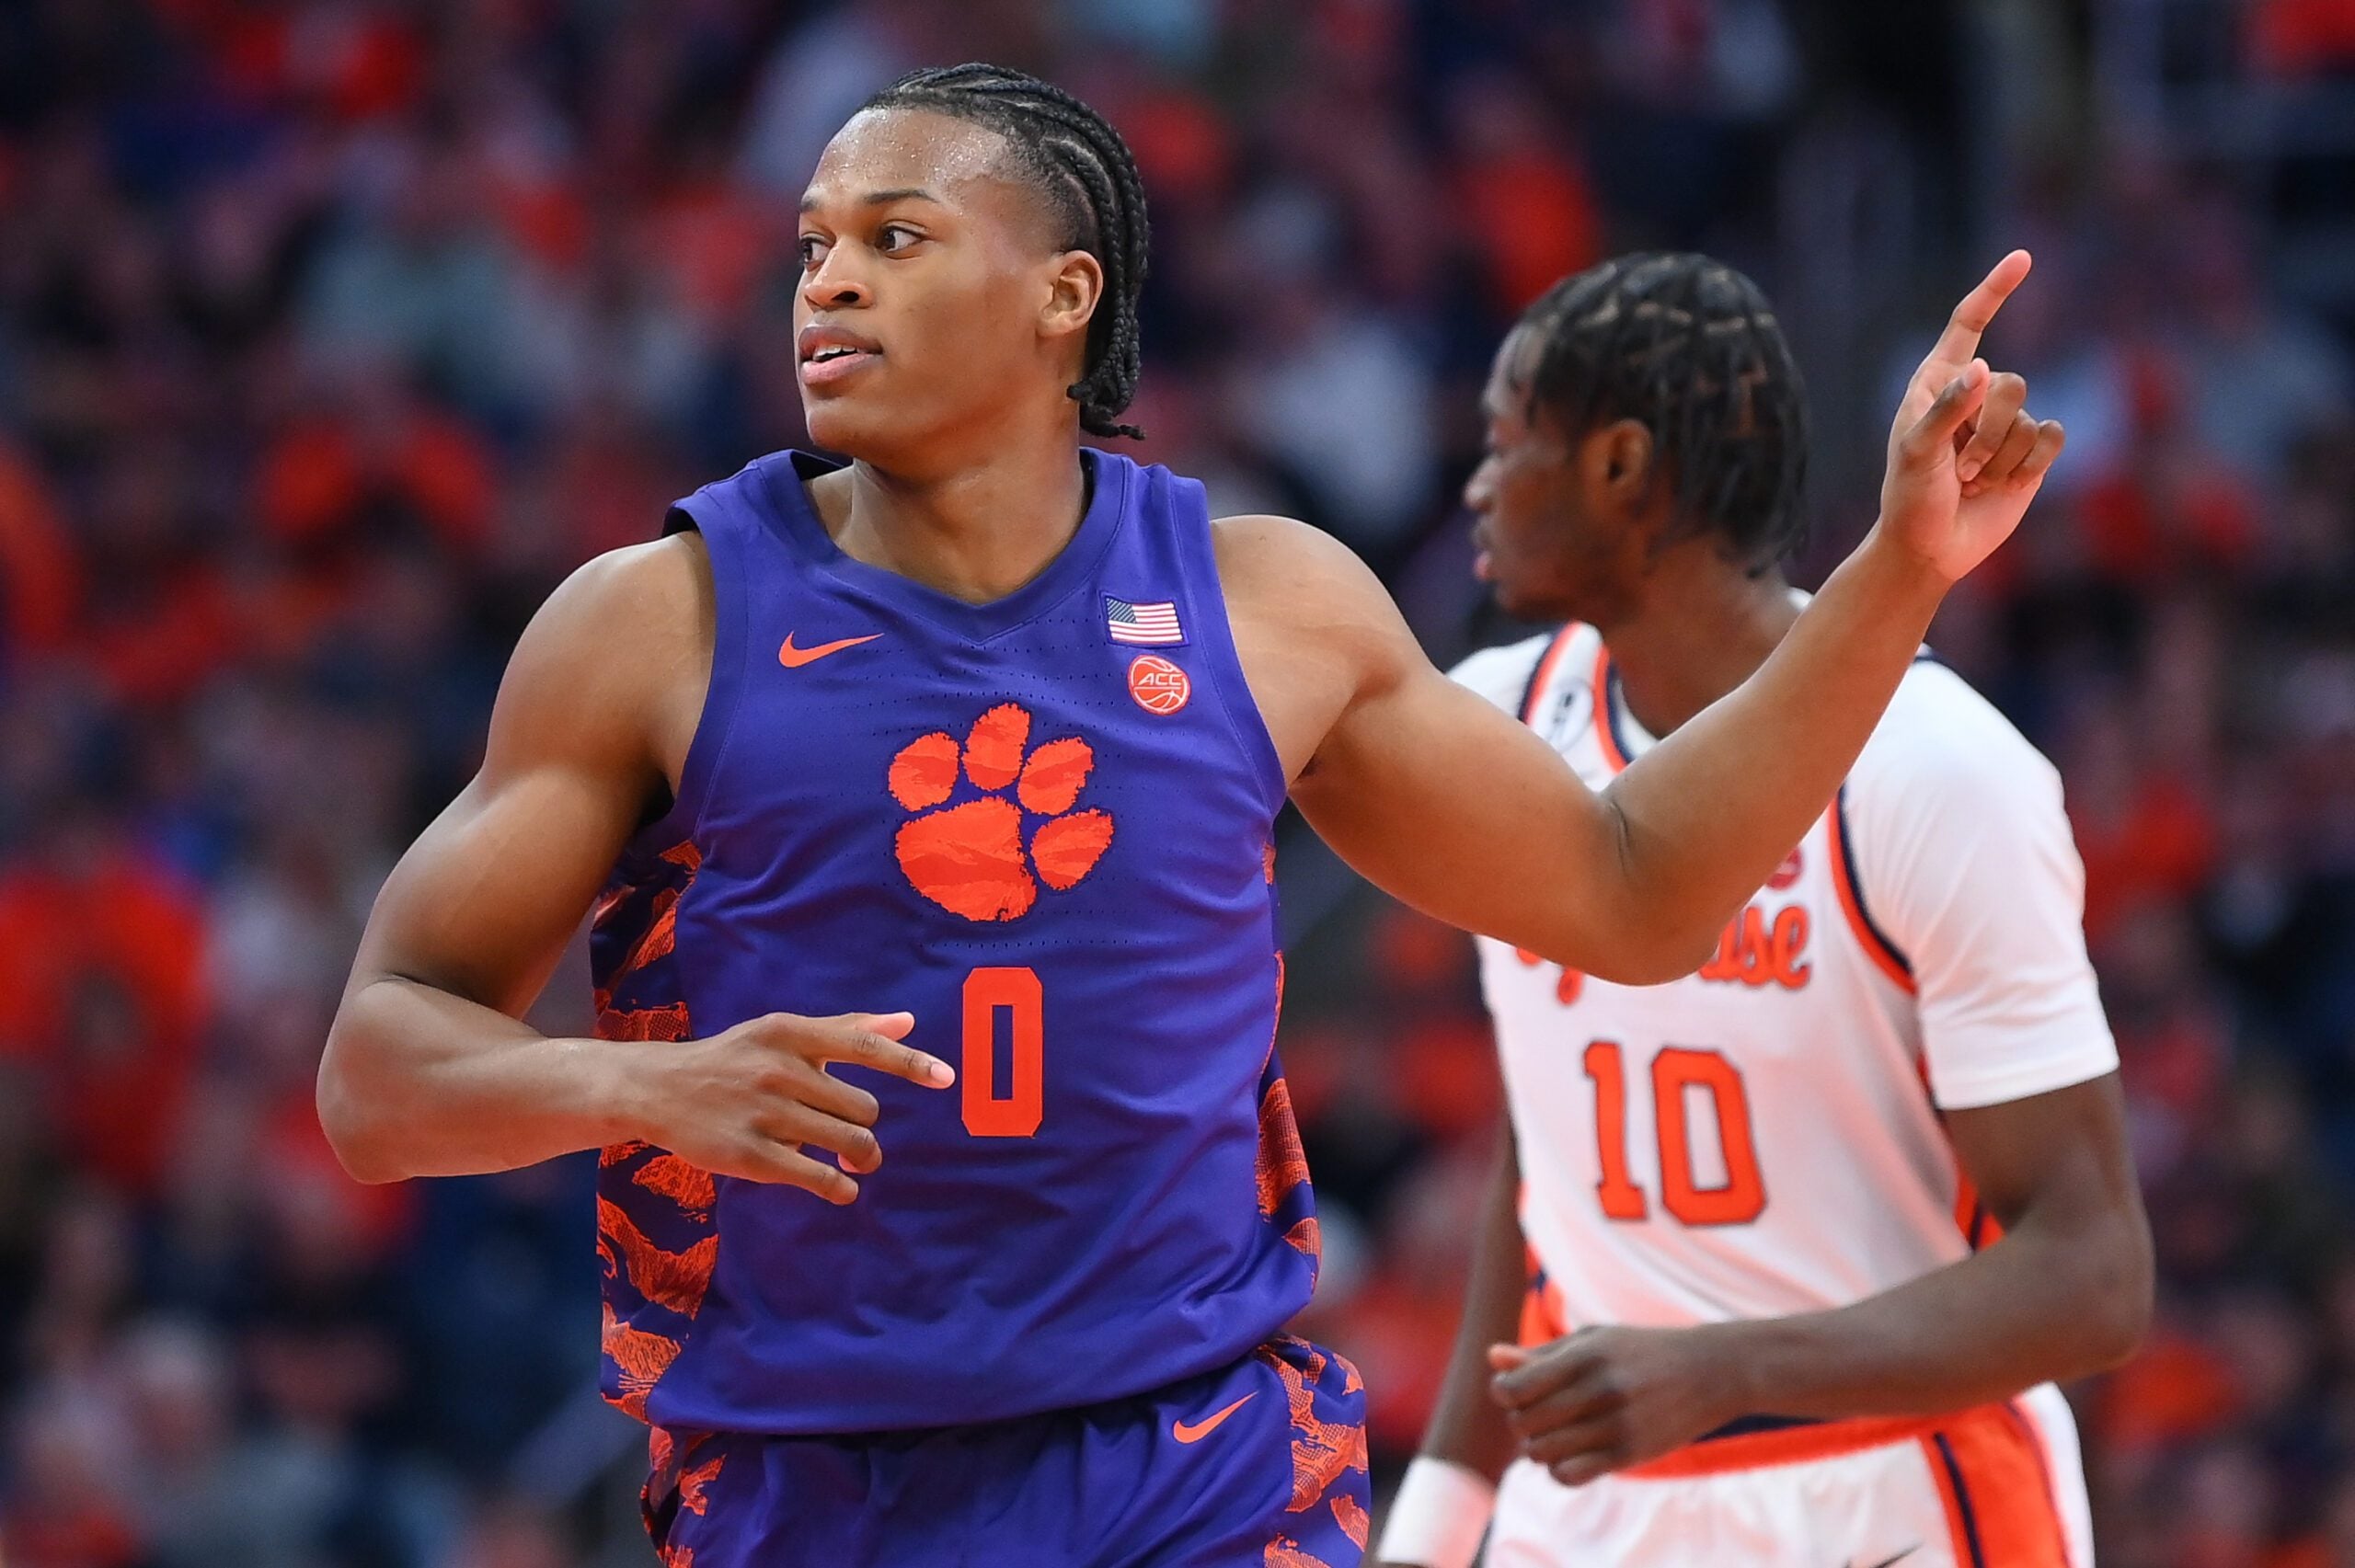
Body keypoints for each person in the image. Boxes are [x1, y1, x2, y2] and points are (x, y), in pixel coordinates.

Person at [316, 65, 2066, 1568]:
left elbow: (1634, 891)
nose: (827, 282)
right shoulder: (657, 621)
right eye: (814, 244)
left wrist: (1901, 566)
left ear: (1061, 297)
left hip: (1198, 1462)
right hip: (811, 1477)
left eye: (895, 238)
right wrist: (638, 1085)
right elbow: (378, 1074)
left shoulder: (1270, 605)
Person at [1375, 255, 2150, 1568]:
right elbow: (1545, 1151)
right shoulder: (1496, 718)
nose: (1476, 487)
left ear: (1622, 468)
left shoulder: (1937, 766)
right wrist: (1437, 1527)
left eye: (1506, 445)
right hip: (1597, 1498)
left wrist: (1725, 1368)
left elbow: (2094, 1274)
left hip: (1897, 1486)